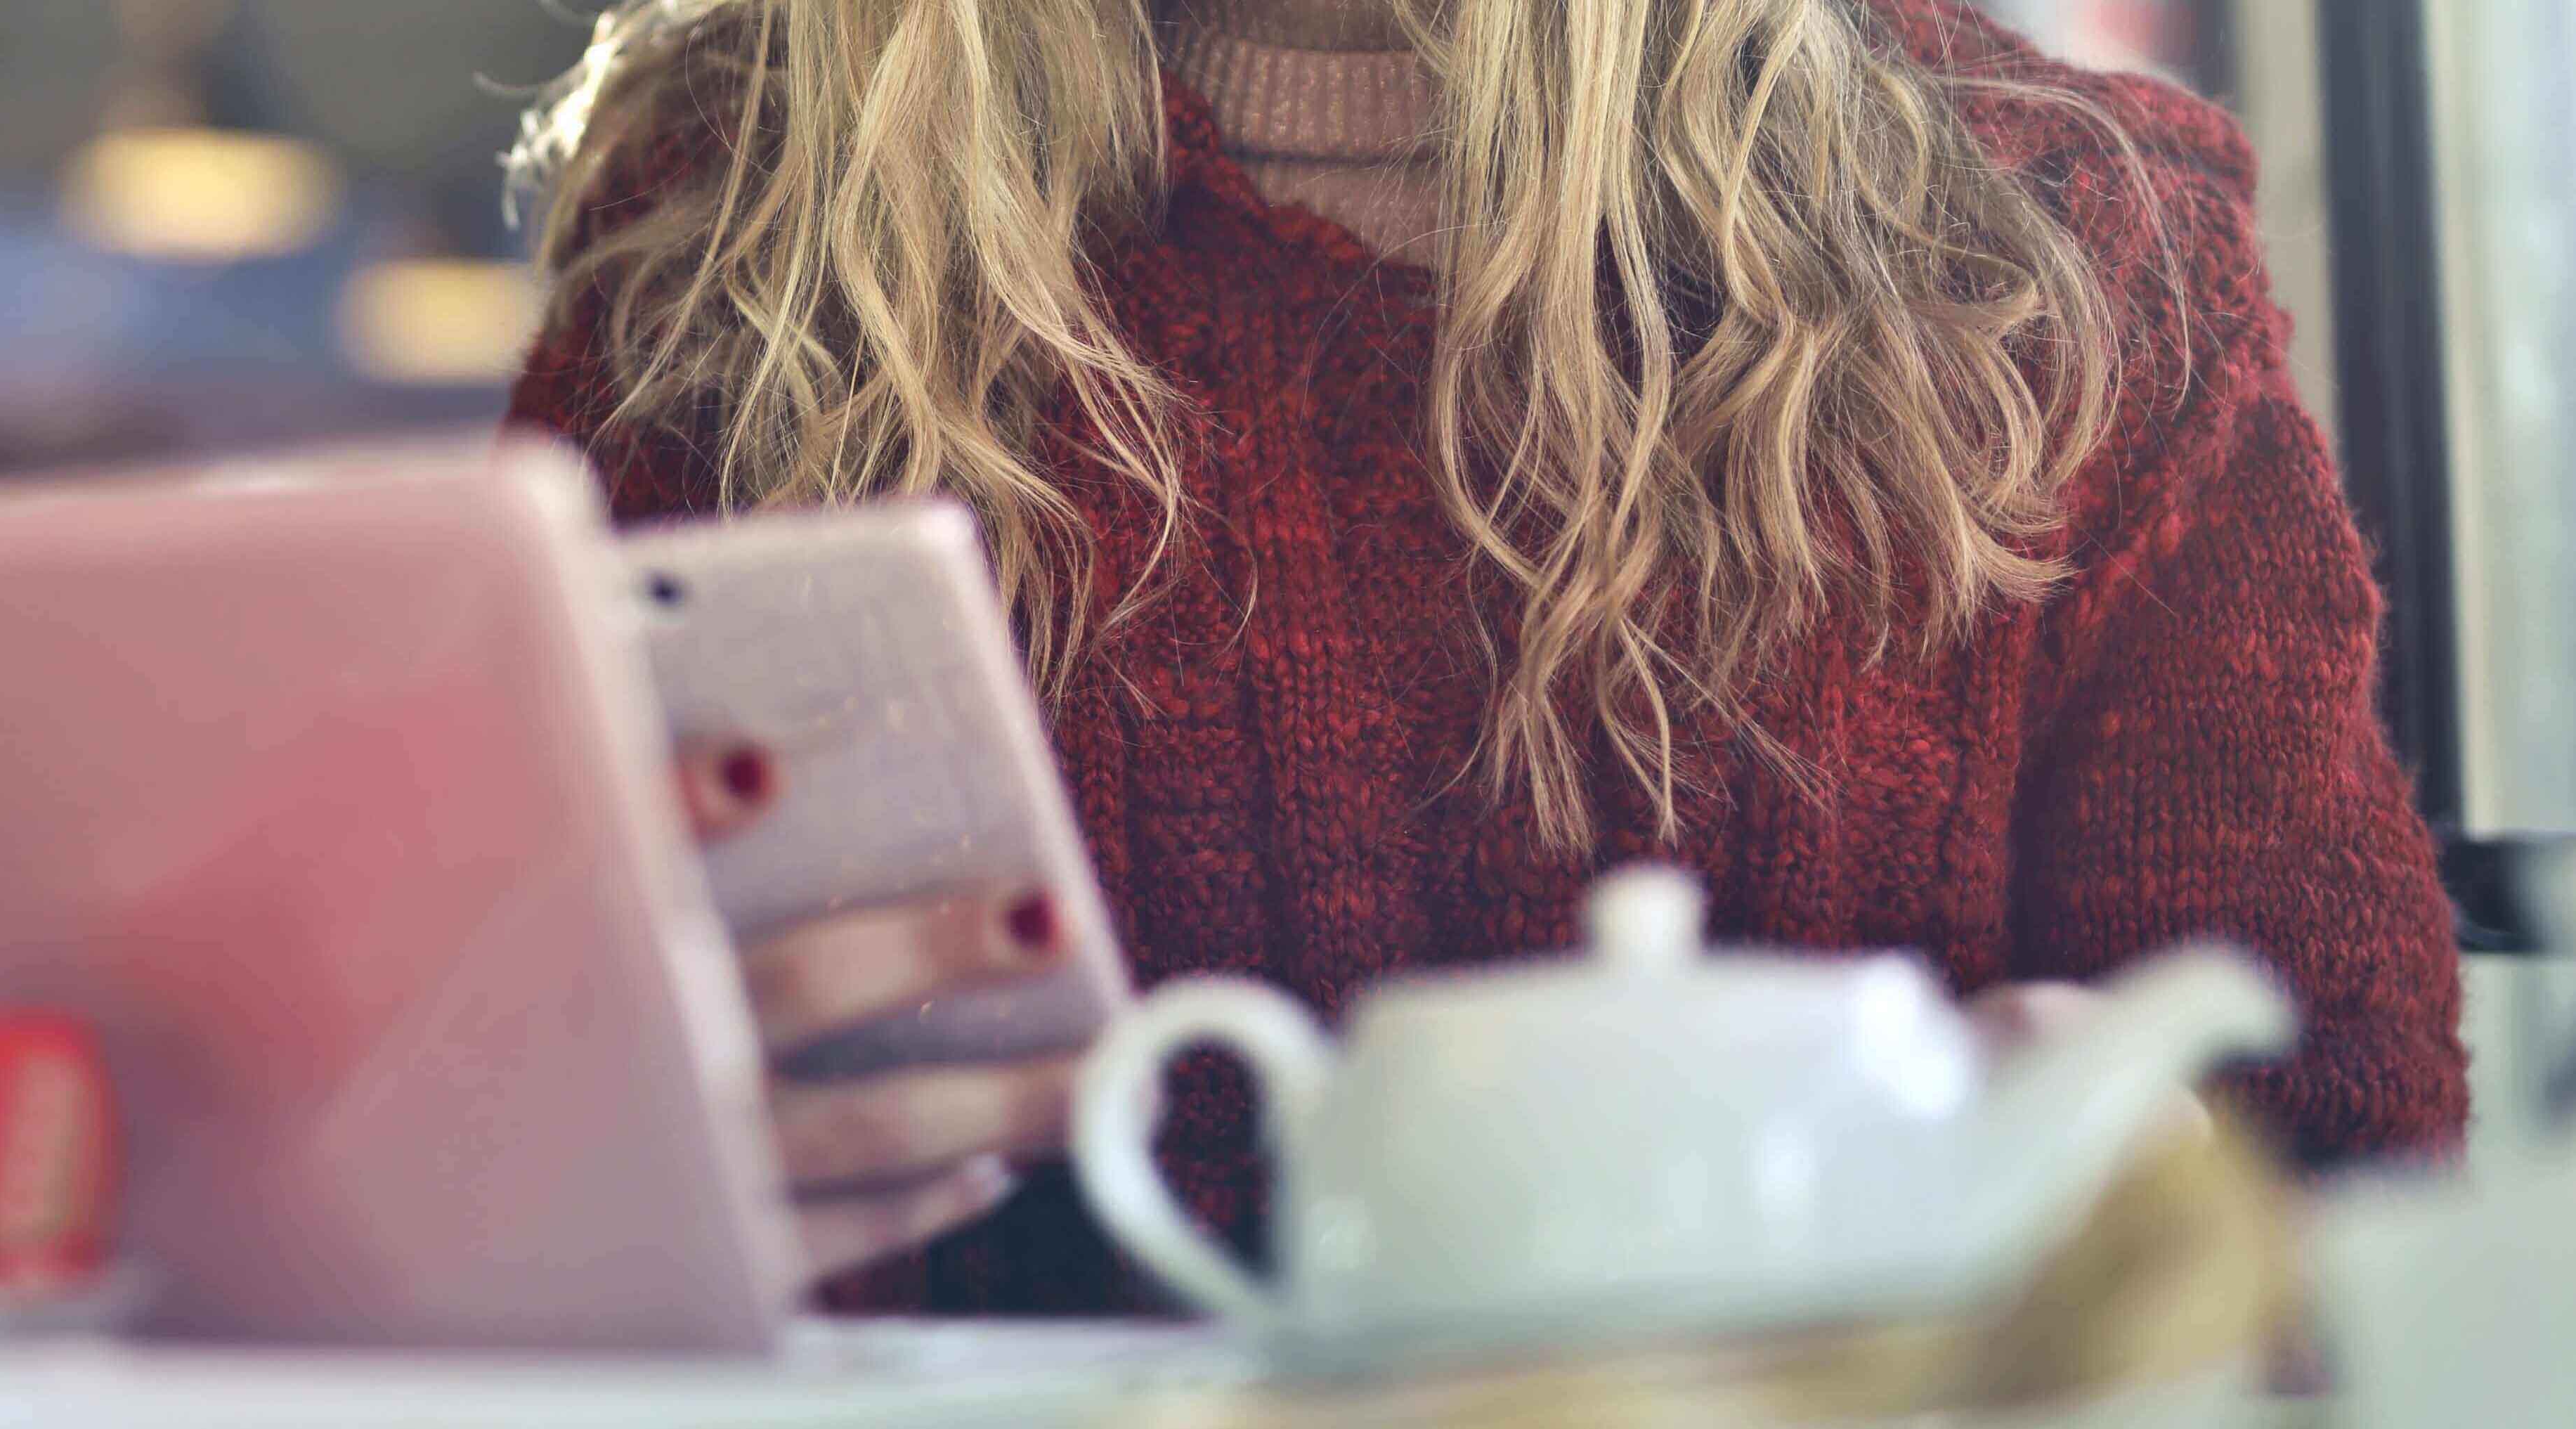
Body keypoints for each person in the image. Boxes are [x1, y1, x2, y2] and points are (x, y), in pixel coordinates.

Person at [507, 0, 2467, 1314]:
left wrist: (2140, 1171)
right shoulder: (740, 222)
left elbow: (2355, 1181)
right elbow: (458, 1145)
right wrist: (601, 1162)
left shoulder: (2053, 240)